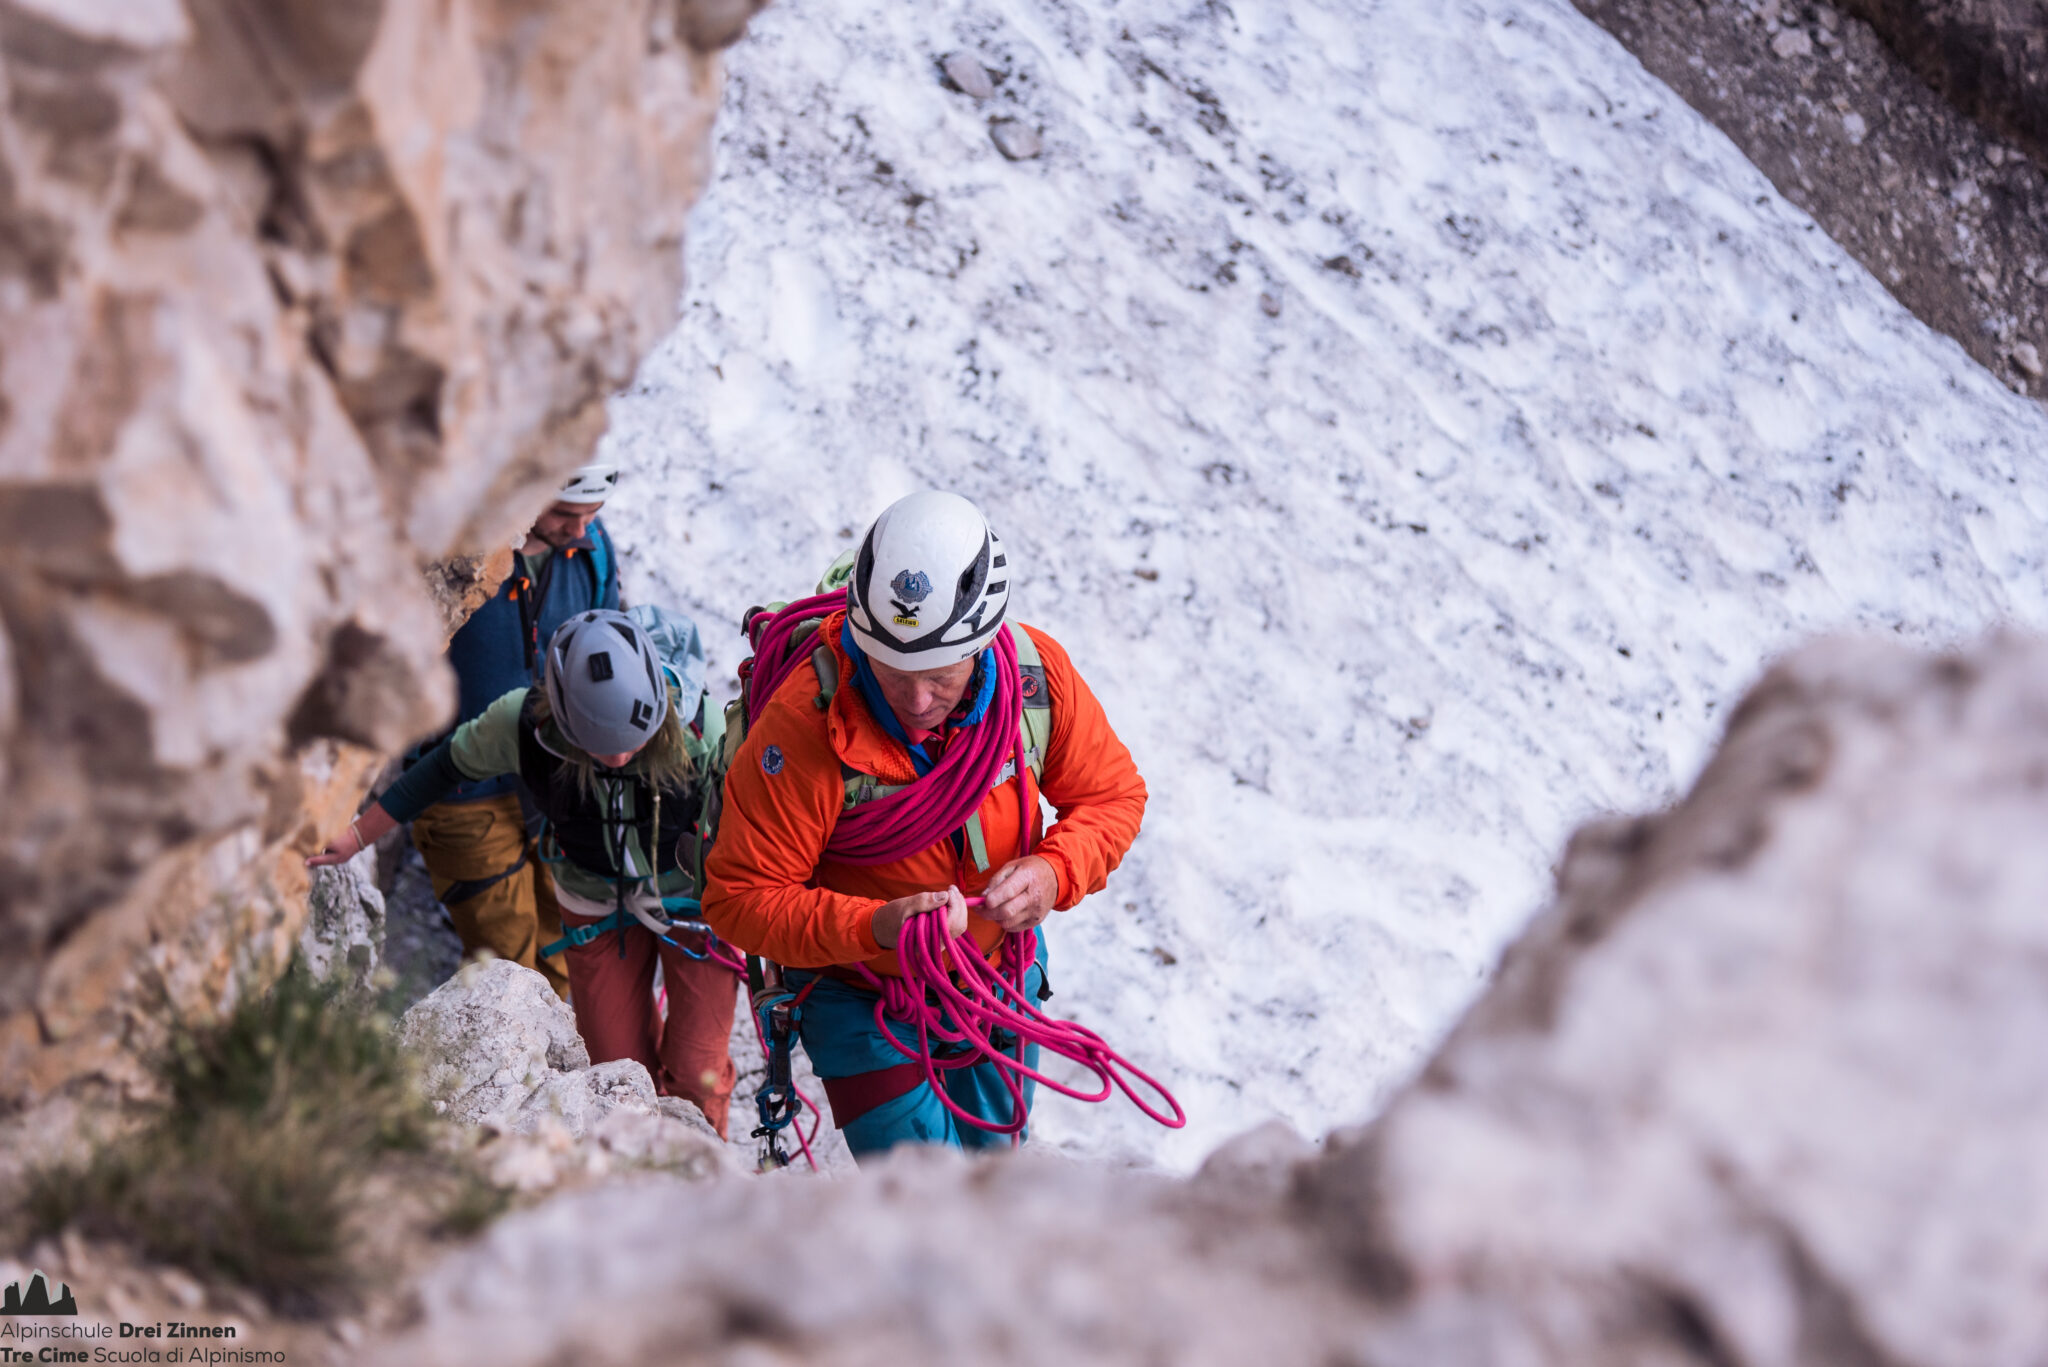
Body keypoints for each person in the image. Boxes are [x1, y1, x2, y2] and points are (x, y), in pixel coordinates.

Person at [702, 491, 1147, 1159]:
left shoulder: (1036, 680)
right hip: (863, 1000)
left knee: (996, 1175)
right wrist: (872, 926)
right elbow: (739, 898)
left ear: (982, 642)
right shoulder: (803, 726)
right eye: (892, 670)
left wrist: (1055, 872)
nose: (915, 700)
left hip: (998, 978)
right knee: (926, 1210)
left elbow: (1112, 796)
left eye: (939, 677)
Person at [311, 608, 739, 1135]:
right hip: (594, 902)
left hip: (695, 905)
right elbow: (444, 767)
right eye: (601, 747)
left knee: (699, 1074)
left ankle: (702, 1171)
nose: (622, 755)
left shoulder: (702, 726)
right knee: (617, 1076)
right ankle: (634, 1177)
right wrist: (356, 837)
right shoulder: (523, 724)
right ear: (562, 721)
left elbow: (753, 821)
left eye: (636, 738)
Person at [410, 461, 623, 998]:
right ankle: (515, 1071)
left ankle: (549, 1075)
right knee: (505, 967)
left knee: (564, 944)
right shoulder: (460, 557)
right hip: (464, 787)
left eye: (592, 515)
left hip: (561, 783)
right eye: (564, 513)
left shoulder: (590, 548)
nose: (580, 530)